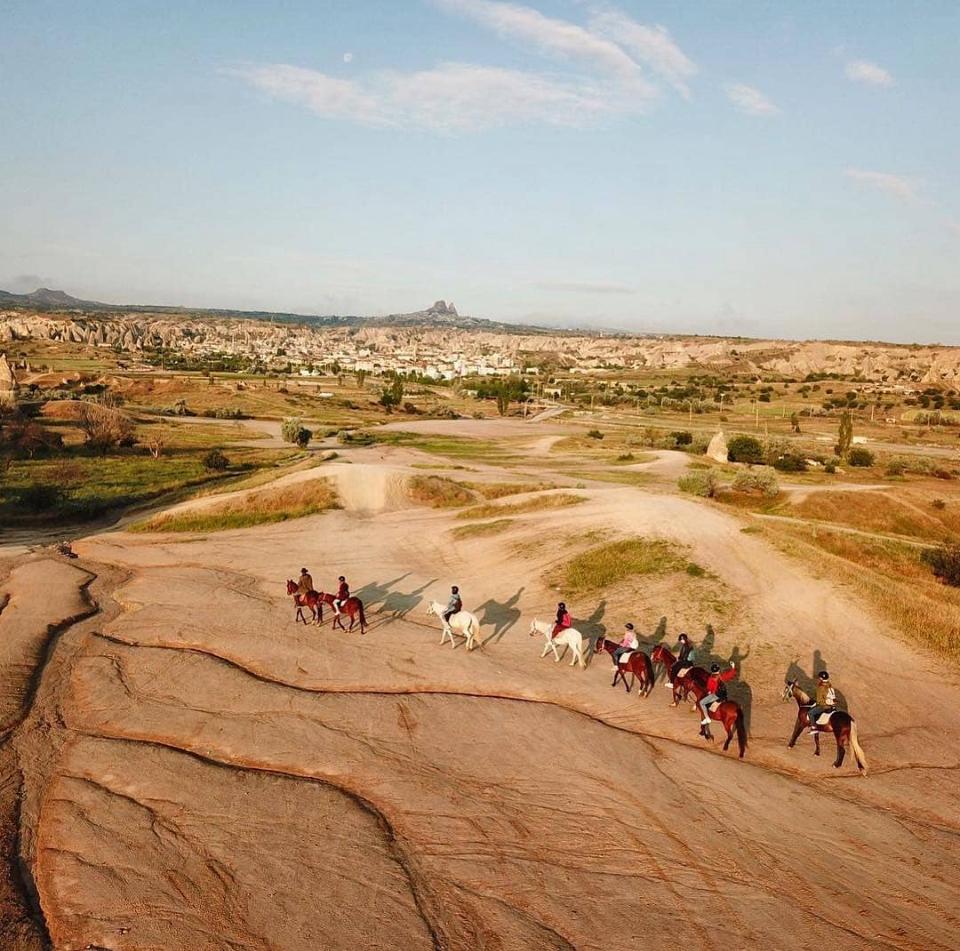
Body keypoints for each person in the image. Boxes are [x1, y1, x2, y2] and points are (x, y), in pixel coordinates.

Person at [699, 662, 737, 726]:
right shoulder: (721, 676)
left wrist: (709, 692)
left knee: (701, 703)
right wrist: (733, 667)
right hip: (724, 695)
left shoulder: (711, 678)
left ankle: (707, 718)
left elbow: (709, 688)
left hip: (715, 695)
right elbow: (730, 674)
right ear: (718, 670)